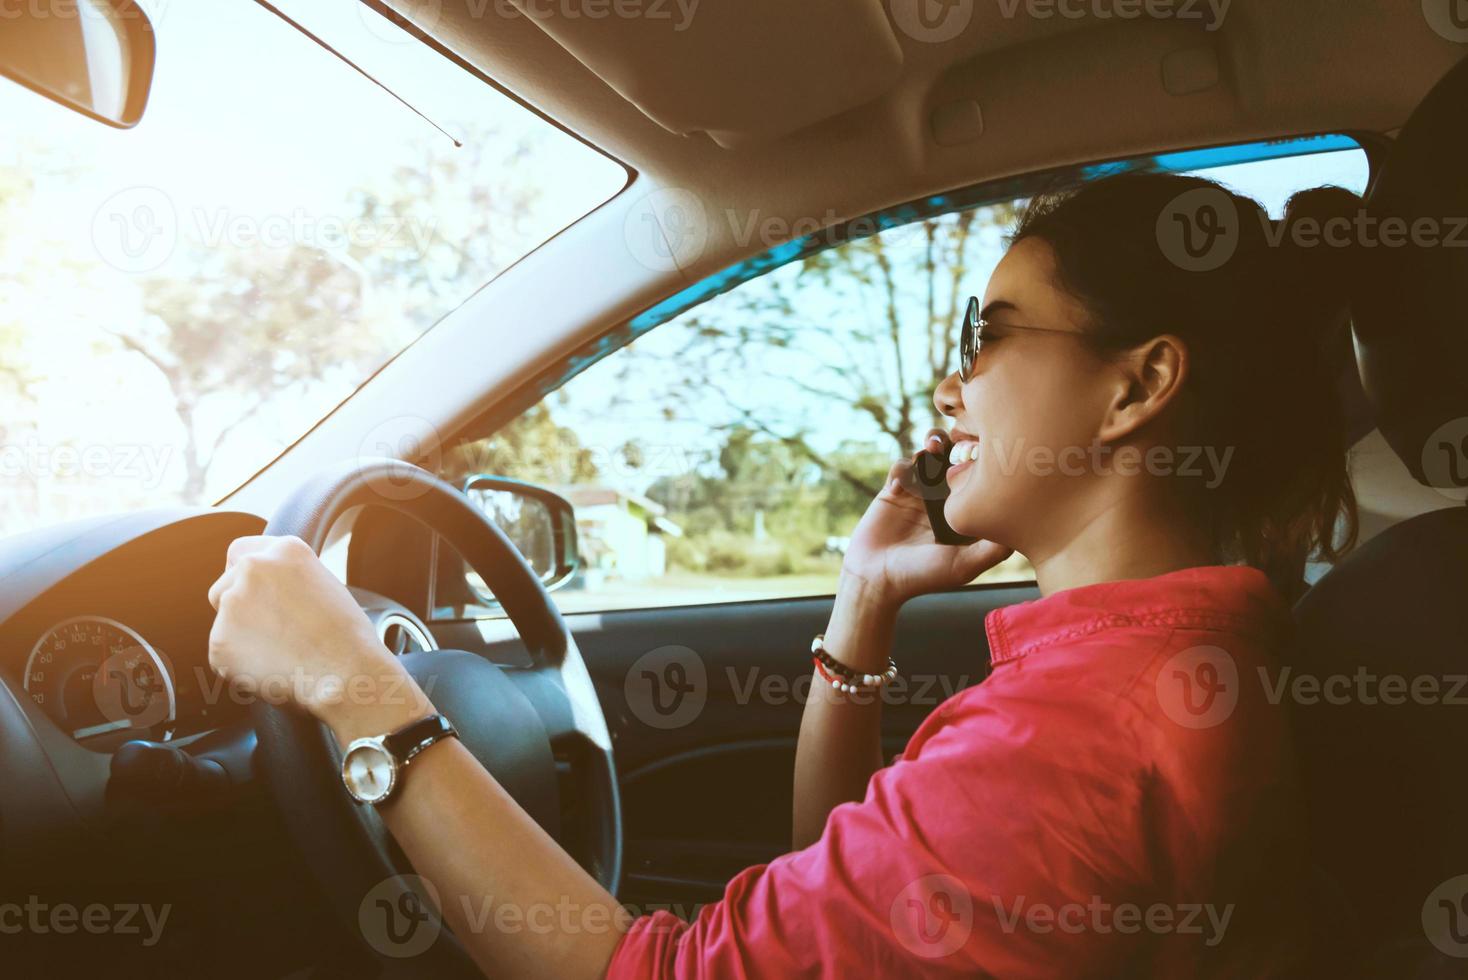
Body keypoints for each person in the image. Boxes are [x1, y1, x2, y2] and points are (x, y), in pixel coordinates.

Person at [207, 172, 1360, 977]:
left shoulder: (1078, 737)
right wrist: (863, 603)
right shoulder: (1146, 667)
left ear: (1135, 385)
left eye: (990, 336)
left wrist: (357, 683)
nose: (951, 389)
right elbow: (843, 879)